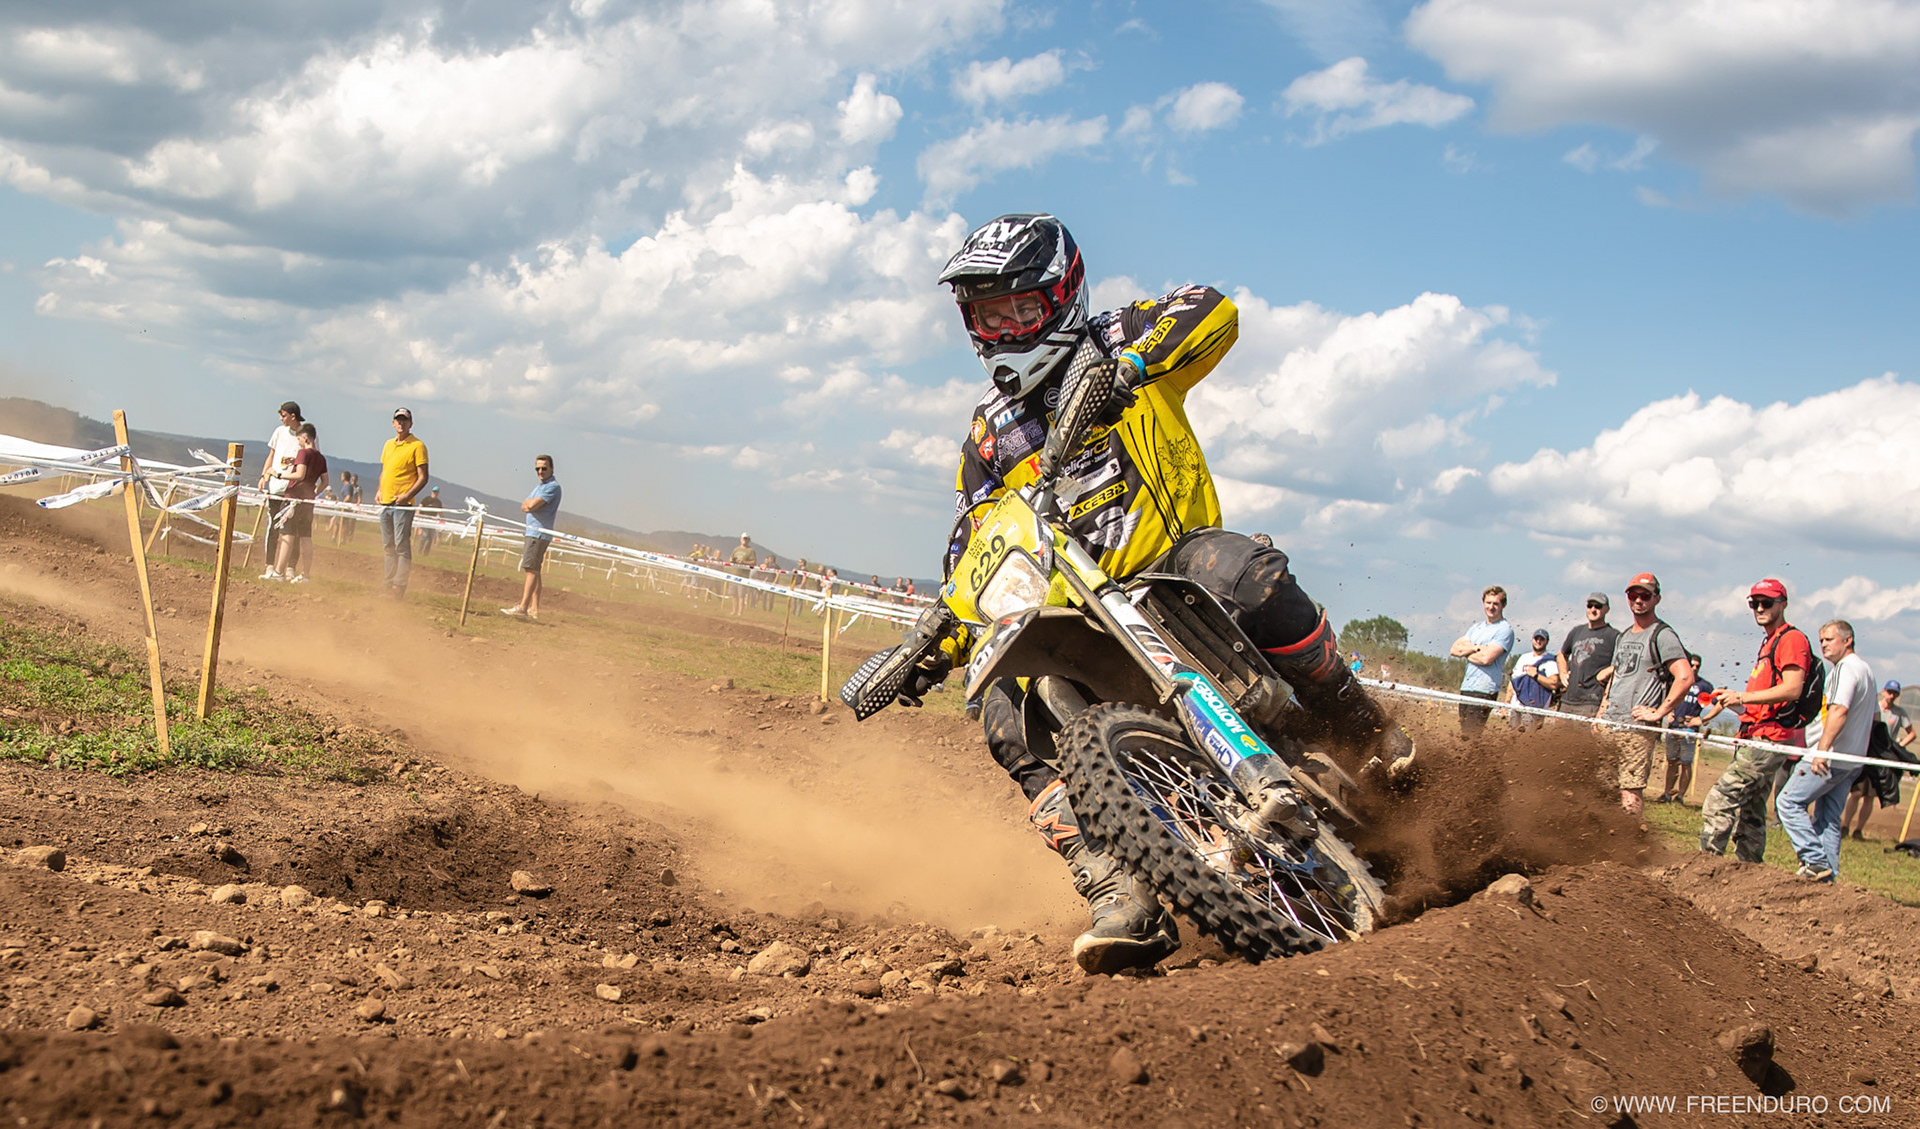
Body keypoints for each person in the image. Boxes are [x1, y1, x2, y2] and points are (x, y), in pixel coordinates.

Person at [900, 213, 1413, 976]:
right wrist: (934, 638)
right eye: (987, 315)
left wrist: (1131, 368)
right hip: (1078, 610)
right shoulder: (991, 434)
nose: (1003, 330)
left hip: (1172, 563)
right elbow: (972, 548)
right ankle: (1117, 888)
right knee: (1005, 711)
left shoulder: (1114, 338)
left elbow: (1211, 308)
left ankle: (1361, 723)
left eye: (1019, 309)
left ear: (1062, 295)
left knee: (1248, 571)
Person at [1697, 579, 1814, 862]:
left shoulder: (1791, 639)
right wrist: (1734, 701)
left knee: (1721, 798)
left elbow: (1792, 689)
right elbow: (1766, 701)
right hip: (1760, 734)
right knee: (1751, 808)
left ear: (1783, 604)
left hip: (1769, 738)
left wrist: (1743, 696)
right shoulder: (1770, 642)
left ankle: (1704, 865)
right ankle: (1749, 869)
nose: (1759, 608)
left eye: (1767, 603)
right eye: (1754, 603)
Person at [1776, 621, 1875, 881]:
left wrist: (1822, 751)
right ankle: (1827, 877)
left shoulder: (1846, 669)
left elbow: (1839, 710)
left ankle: (1814, 860)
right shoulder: (1866, 670)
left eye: (1829, 639)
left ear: (1848, 640)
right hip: (1850, 760)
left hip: (1829, 757)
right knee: (1828, 818)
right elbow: (1873, 717)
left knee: (1788, 802)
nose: (1823, 645)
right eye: (1821, 640)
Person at [1593, 574, 1692, 816]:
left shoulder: (1663, 635)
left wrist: (1658, 712)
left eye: (1645, 595)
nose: (1639, 600)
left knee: (1630, 790)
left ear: (1656, 598)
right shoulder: (1624, 635)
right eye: (1633, 595)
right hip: (1610, 722)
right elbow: (1616, 676)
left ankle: (1629, 836)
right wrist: (1601, 713)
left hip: (1637, 728)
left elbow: (1685, 677)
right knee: (1601, 787)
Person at [1845, 680, 1916, 839]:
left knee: (1869, 796)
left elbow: (1912, 733)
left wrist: (1898, 746)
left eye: (1895, 693)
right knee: (1856, 793)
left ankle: (1858, 830)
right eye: (1890, 692)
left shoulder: (1899, 713)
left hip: (1882, 759)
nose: (1892, 696)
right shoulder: (1873, 707)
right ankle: (1845, 826)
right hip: (1866, 753)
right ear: (1883, 692)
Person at [376, 408, 430, 598]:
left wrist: (407, 495)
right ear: (393, 423)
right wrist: (380, 489)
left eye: (404, 420)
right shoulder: (388, 445)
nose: (401, 423)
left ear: (410, 424)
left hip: (403, 505)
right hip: (386, 502)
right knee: (388, 546)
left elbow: (423, 477)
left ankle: (398, 587)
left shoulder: (417, 446)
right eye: (398, 420)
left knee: (401, 546)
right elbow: (385, 471)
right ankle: (388, 583)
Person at [1450, 586, 1516, 737]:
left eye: (1495, 604)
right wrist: (1476, 648)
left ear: (1503, 605)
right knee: (1465, 733)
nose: (1491, 607)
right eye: (1488, 603)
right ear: (1483, 603)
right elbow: (1454, 649)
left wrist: (1466, 652)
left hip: (1485, 689)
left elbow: (1486, 658)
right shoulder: (1476, 628)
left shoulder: (1504, 630)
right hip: (1467, 686)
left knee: (1471, 734)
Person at [501, 455, 561, 620]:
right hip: (532, 532)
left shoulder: (553, 487)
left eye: (544, 468)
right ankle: (534, 608)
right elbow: (524, 506)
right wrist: (529, 504)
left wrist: (530, 504)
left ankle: (523, 607)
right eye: (538, 469)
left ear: (551, 469)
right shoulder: (540, 487)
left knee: (531, 570)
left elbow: (531, 505)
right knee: (535, 570)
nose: (540, 471)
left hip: (538, 534)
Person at [268, 423, 328, 584]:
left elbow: (300, 475)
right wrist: (314, 492)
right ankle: (305, 575)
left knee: (287, 535)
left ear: (306, 438)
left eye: (299, 439)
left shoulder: (303, 453)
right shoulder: (321, 458)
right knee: (306, 537)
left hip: (293, 498)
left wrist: (279, 475)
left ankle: (278, 572)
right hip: (308, 501)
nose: (298, 443)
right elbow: (325, 481)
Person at [1654, 653, 1713, 804]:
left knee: (1686, 763)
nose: (1694, 668)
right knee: (1672, 762)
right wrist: (1668, 713)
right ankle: (1667, 793)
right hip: (1673, 727)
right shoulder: (1677, 681)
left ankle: (1680, 796)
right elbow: (1667, 698)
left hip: (1689, 731)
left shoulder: (1704, 687)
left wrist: (1702, 720)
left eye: (1697, 666)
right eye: (1692, 665)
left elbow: (1718, 703)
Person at [257, 401, 303, 580]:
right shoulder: (279, 432)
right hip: (275, 488)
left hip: (293, 490)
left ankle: (290, 567)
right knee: (273, 527)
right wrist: (264, 476)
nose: (281, 419)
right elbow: (271, 455)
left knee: (292, 530)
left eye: (283, 415)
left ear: (293, 416)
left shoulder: (304, 434)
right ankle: (269, 565)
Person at [1556, 593, 1620, 719]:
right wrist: (1563, 673)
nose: (1593, 609)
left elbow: (1623, 663)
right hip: (1567, 700)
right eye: (1590, 606)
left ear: (1607, 609)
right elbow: (1561, 654)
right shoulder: (1576, 631)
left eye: (1598, 606)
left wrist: (1608, 671)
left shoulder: (1613, 635)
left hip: (1592, 702)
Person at [1509, 628, 1561, 732]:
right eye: (1536, 638)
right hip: (1516, 704)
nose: (1538, 641)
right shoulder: (1523, 658)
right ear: (1532, 639)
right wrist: (1506, 702)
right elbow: (1513, 681)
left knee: (1527, 737)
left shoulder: (1550, 661)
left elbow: (1554, 684)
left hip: (1535, 708)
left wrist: (1536, 675)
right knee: (1513, 735)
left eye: (1542, 639)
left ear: (1546, 641)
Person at [416, 486, 444, 556]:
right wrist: (418, 518)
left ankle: (426, 553)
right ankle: (419, 551)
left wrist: (443, 520)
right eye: (434, 492)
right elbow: (419, 507)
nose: (435, 493)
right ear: (432, 492)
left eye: (436, 492)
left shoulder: (438, 502)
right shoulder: (426, 499)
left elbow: (440, 513)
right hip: (424, 519)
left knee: (430, 538)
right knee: (424, 535)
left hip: (432, 521)